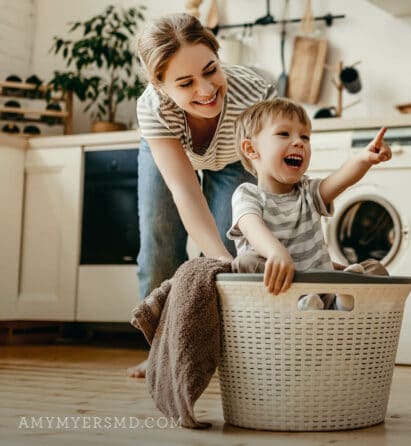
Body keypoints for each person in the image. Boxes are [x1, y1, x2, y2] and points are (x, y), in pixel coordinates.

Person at [128, 13, 276, 378]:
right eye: (186, 83)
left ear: (217, 55)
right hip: (172, 149)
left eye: (211, 70)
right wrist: (219, 259)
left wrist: (235, 257)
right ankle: (162, 351)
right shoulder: (153, 108)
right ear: (160, 86)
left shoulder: (256, 94)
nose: (206, 90)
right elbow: (184, 192)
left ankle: (227, 355)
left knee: (234, 244)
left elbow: (272, 175)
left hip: (234, 158)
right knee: (160, 240)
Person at [226, 98, 391, 309]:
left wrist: (364, 160)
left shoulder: (308, 193)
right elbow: (252, 228)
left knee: (374, 269)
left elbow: (340, 179)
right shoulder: (247, 194)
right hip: (278, 293)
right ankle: (310, 303)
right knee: (245, 264)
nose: (299, 142)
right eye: (284, 134)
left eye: (305, 137)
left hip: (322, 288)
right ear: (251, 149)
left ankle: (341, 302)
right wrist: (276, 253)